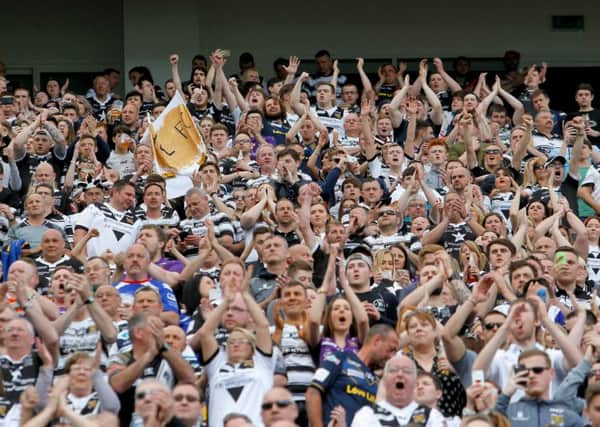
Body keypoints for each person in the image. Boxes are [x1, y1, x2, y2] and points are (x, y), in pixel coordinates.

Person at [198, 263, 276, 427]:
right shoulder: (217, 363)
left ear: (251, 344)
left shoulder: (262, 362)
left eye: (242, 341)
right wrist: (225, 302)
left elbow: (262, 326)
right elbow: (205, 333)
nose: (236, 344)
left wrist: (244, 294)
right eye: (232, 341)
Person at [305, 323, 400, 427]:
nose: (392, 356)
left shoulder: (379, 382)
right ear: (377, 341)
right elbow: (313, 392)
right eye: (391, 350)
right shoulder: (340, 358)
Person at [351, 354, 447, 426]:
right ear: (384, 381)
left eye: (406, 371)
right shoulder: (367, 414)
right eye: (393, 370)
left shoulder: (432, 416)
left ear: (414, 381)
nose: (400, 374)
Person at [495, 349, 584, 426]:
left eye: (537, 370)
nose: (531, 375)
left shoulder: (567, 415)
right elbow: (491, 421)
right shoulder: (509, 411)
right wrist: (506, 394)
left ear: (551, 373)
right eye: (525, 372)